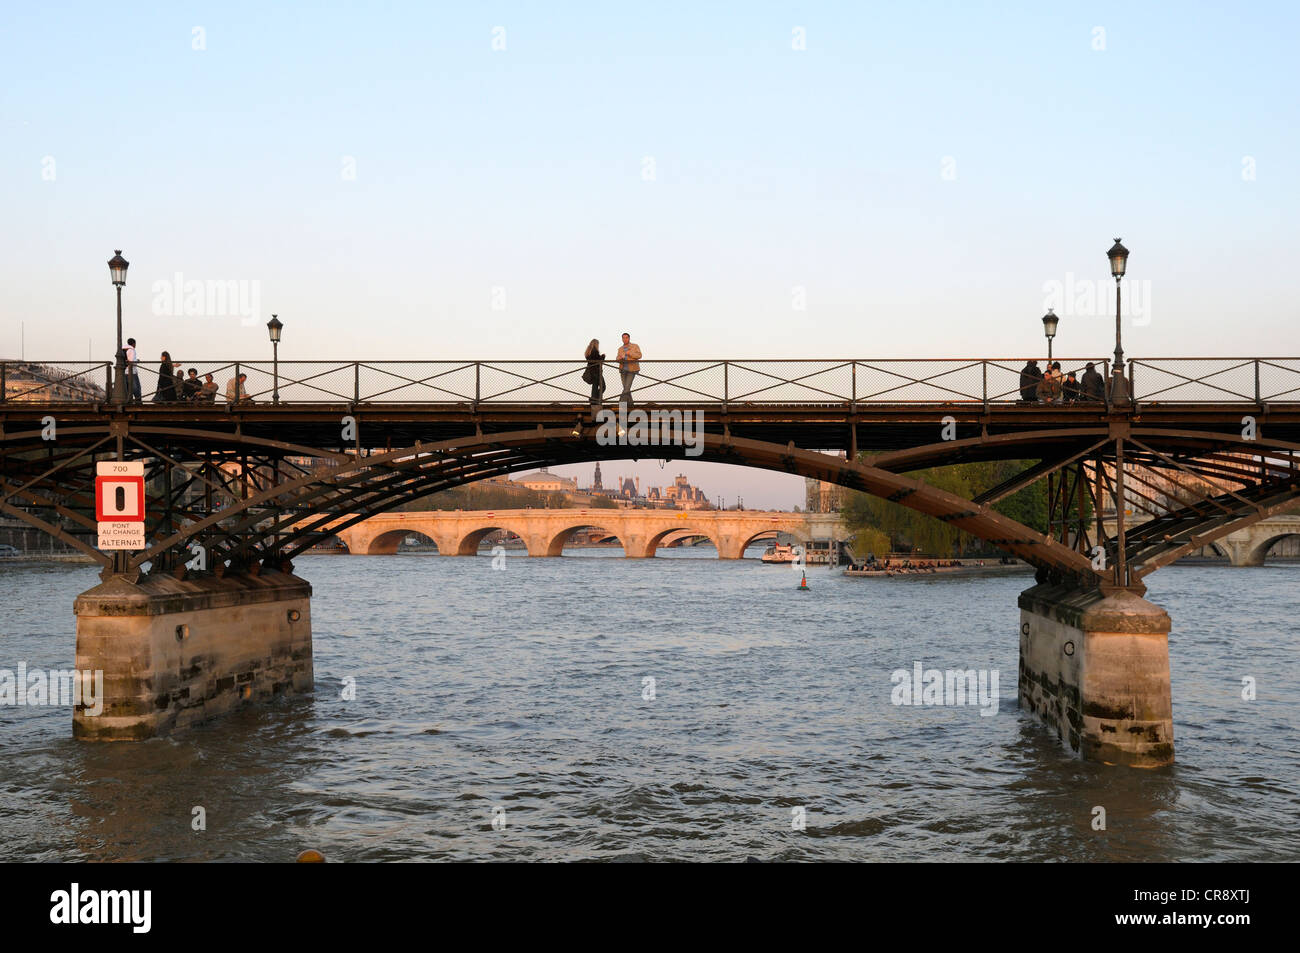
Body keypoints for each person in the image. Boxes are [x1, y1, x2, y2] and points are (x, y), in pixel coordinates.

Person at [616, 332, 641, 405]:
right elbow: (617, 359)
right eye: (623, 338)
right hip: (623, 370)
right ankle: (631, 404)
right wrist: (620, 357)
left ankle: (621, 404)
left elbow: (639, 355)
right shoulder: (620, 349)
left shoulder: (635, 346)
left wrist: (629, 353)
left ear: (629, 338)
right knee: (626, 388)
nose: (625, 339)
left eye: (626, 337)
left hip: (632, 369)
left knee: (626, 388)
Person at [582, 339, 606, 411]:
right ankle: (595, 399)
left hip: (592, 372)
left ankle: (594, 400)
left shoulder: (588, 351)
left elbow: (592, 361)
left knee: (595, 387)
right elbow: (598, 361)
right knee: (603, 387)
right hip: (596, 372)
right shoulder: (595, 351)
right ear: (596, 344)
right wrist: (603, 357)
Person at [124, 337, 141, 402]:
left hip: (125, 371)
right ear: (133, 344)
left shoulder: (124, 350)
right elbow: (132, 362)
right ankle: (138, 401)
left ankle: (129, 401)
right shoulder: (132, 350)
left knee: (128, 389)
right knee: (137, 388)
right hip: (132, 372)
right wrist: (137, 361)